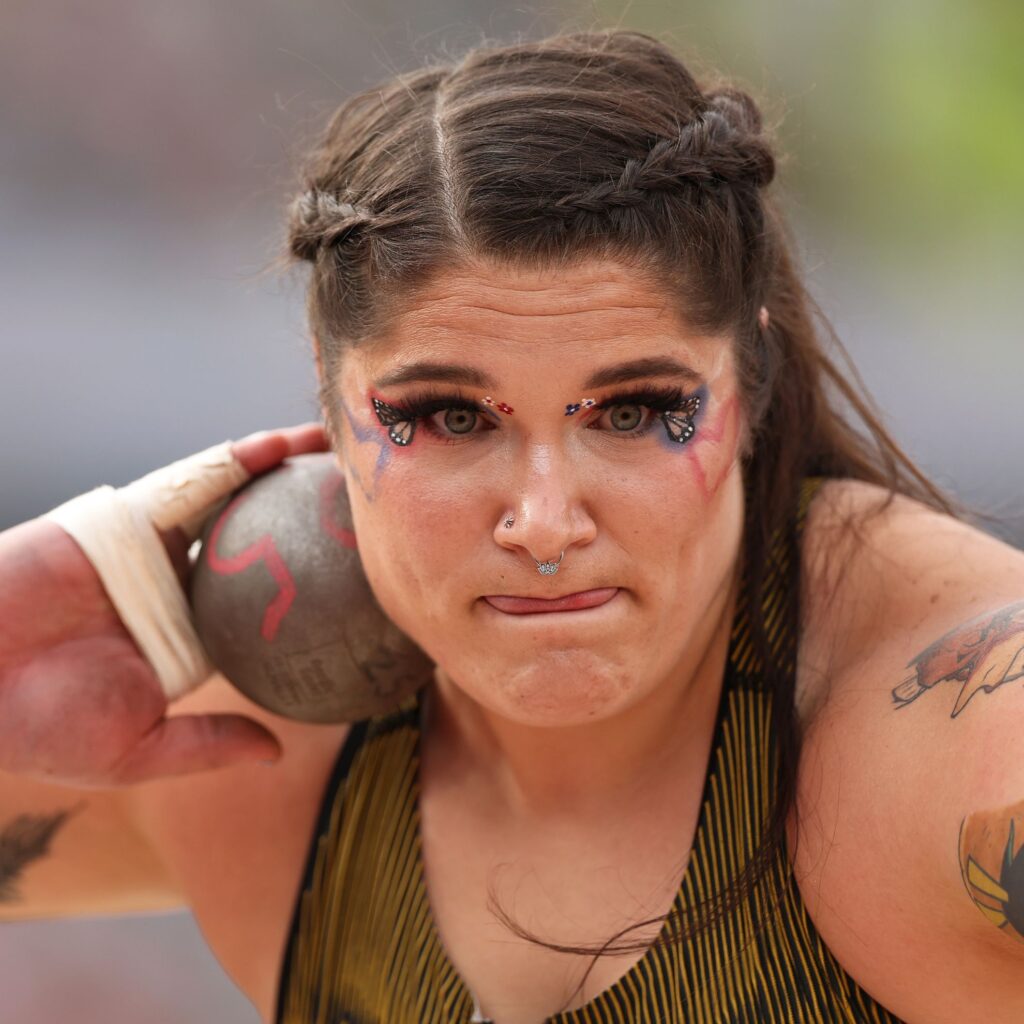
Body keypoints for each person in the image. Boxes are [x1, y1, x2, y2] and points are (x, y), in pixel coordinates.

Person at [2, 27, 1023, 1024]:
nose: (543, 522)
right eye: (449, 418)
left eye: (630, 412)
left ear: (747, 385)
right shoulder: (259, 753)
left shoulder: (933, 727)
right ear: (329, 408)